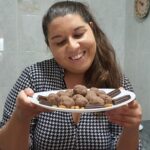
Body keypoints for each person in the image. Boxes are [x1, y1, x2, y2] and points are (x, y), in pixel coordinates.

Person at [0, 1, 142, 150]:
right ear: (50, 46)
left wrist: (131, 127)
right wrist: (21, 117)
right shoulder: (32, 77)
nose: (73, 46)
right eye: (60, 42)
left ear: (92, 29)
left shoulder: (116, 83)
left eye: (79, 34)